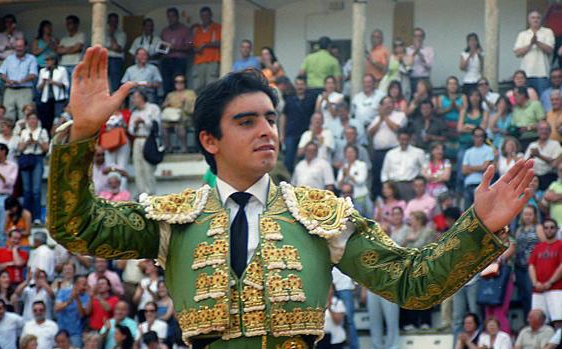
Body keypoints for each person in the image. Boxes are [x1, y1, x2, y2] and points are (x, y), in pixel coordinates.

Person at [47, 46, 535, 348]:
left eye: (270, 119)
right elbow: (76, 226)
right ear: (209, 141)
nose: (266, 131)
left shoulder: (319, 215)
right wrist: (81, 136)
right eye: (247, 121)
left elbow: (414, 283)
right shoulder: (171, 217)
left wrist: (480, 227)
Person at [369, 97, 408, 198]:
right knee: (378, 177)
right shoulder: (377, 118)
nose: (388, 105)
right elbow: (370, 132)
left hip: (393, 151)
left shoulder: (400, 115)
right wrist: (380, 119)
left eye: (390, 103)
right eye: (385, 103)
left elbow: (396, 128)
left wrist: (385, 117)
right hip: (378, 152)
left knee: (391, 178)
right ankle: (379, 199)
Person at [514, 10, 555, 96]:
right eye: (533, 18)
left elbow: (550, 50)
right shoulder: (523, 34)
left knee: (543, 98)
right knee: (527, 99)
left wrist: (537, 43)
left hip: (543, 73)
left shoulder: (548, 32)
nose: (535, 20)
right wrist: (531, 44)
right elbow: (517, 52)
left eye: (538, 18)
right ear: (529, 20)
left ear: (541, 20)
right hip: (526, 74)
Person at [281, 76, 317, 173]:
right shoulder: (289, 99)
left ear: (305, 85)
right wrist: (282, 134)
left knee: (304, 160)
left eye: (302, 84)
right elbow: (284, 116)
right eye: (298, 84)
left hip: (305, 134)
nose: (300, 87)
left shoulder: (311, 99)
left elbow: (316, 114)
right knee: (288, 160)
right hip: (291, 133)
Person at [529, 218, 562, 322]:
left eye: (552, 227)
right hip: (538, 290)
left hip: (556, 288)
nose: (549, 230)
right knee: (537, 321)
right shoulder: (538, 247)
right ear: (543, 230)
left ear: (557, 229)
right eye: (546, 228)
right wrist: (535, 283)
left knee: (558, 320)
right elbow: (531, 265)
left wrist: (550, 282)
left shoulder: (560, 245)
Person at [127, 90, 160, 195]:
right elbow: (130, 130)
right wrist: (136, 125)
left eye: (135, 97)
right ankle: (141, 194)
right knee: (138, 169)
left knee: (148, 169)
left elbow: (156, 125)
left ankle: (151, 193)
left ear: (142, 98)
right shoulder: (134, 112)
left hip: (148, 140)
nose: (133, 100)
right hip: (137, 140)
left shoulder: (153, 108)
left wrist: (144, 121)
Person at [18, 113, 49, 220]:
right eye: (30, 119)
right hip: (26, 157)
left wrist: (37, 142)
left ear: (37, 120)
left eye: (34, 119)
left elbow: (46, 149)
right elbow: (20, 148)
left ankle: (36, 216)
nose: (32, 121)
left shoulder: (42, 131)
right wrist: (27, 142)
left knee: (36, 190)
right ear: (27, 120)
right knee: (27, 190)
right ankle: (27, 216)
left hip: (37, 157)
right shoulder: (24, 132)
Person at [0, 38, 38, 122]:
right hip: (10, 90)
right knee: (8, 115)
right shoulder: (9, 58)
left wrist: (20, 81)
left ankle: (23, 134)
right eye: (17, 46)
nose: (19, 48)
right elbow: (1, 73)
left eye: (21, 46)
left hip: (24, 90)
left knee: (25, 115)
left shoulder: (31, 58)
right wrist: (8, 80)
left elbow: (33, 75)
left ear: (25, 47)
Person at [380, 129, 425, 201]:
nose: (404, 142)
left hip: (410, 185)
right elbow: (385, 172)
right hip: (394, 185)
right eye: (402, 139)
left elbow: (424, 169)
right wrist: (387, 186)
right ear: (398, 139)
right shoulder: (391, 153)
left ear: (410, 139)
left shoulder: (419, 152)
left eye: (406, 139)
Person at [160, 7, 192, 95]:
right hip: (166, 60)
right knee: (167, 84)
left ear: (177, 17)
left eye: (173, 16)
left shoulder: (185, 30)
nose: (171, 18)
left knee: (178, 83)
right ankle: (169, 103)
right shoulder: (164, 31)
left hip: (180, 60)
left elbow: (189, 46)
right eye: (169, 16)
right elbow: (161, 46)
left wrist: (175, 48)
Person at [161, 74, 196, 153]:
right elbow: (164, 107)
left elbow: (193, 108)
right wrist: (165, 105)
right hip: (172, 116)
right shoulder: (171, 94)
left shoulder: (190, 93)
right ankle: (168, 147)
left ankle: (184, 147)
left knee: (179, 125)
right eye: (176, 82)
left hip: (186, 116)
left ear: (185, 83)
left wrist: (185, 103)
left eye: (181, 82)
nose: (179, 84)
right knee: (163, 125)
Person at [462, 127, 495, 208]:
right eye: (476, 136)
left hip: (482, 184)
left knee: (480, 212)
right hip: (468, 185)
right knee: (467, 214)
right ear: (472, 137)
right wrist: (479, 167)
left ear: (484, 137)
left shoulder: (489, 150)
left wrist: (470, 168)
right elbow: (464, 170)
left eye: (480, 136)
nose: (478, 138)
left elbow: (485, 167)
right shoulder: (468, 151)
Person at [525, 121, 562, 191]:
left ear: (550, 131)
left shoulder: (555, 144)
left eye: (546, 129)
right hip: (534, 178)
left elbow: (555, 164)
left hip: (549, 177)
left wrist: (539, 155)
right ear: (537, 131)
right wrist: (531, 156)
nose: (544, 131)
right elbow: (525, 163)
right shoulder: (532, 145)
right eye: (541, 129)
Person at [54, 275, 89, 348]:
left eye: (86, 284)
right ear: (76, 284)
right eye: (83, 284)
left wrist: (77, 299)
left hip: (75, 333)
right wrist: (69, 301)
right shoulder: (63, 292)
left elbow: (82, 315)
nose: (85, 287)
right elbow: (56, 308)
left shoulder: (86, 297)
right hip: (61, 332)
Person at [36, 54, 69, 133]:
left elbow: (66, 85)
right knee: (47, 119)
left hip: (58, 99)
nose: (47, 62)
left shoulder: (62, 70)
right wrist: (43, 82)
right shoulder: (42, 71)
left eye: (48, 60)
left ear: (54, 61)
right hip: (46, 99)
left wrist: (53, 82)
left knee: (58, 119)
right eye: (46, 60)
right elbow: (38, 88)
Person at [336, 145, 369, 216]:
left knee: (361, 218)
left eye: (352, 152)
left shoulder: (361, 165)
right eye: (348, 152)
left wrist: (348, 174)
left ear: (356, 153)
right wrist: (343, 176)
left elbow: (361, 181)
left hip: (360, 196)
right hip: (346, 199)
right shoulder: (343, 167)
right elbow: (338, 186)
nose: (350, 154)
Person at [406, 27, 434, 93]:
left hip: (425, 79)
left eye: (420, 36)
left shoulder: (429, 50)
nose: (417, 38)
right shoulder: (407, 50)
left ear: (423, 38)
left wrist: (420, 54)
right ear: (412, 37)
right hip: (412, 79)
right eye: (415, 36)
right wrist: (414, 53)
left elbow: (429, 66)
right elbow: (406, 65)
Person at [104, 13, 126, 92]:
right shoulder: (103, 33)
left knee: (115, 81)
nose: (113, 24)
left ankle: (115, 96)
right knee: (103, 80)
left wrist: (112, 35)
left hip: (116, 59)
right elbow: (99, 47)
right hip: (104, 59)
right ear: (108, 22)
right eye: (111, 22)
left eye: (115, 21)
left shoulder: (122, 34)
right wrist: (111, 47)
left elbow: (117, 48)